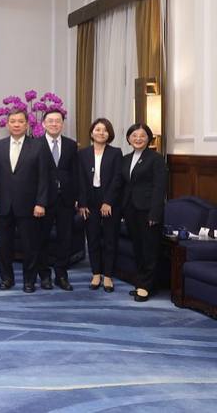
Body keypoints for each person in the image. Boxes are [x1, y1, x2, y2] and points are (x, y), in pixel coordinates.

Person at [0, 109, 48, 293]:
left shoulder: (38, 146)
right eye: (13, 121)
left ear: (27, 124)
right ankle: (6, 279)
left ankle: (29, 281)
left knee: (30, 246)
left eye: (20, 121)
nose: (16, 124)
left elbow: (44, 177)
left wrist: (40, 202)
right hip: (4, 205)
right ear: (7, 124)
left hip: (29, 205)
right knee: (3, 246)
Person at [120, 123, 166, 302]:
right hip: (131, 210)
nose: (138, 139)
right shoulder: (126, 158)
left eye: (142, 136)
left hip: (148, 211)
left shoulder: (156, 159)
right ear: (129, 139)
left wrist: (155, 213)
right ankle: (142, 283)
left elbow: (159, 187)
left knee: (149, 249)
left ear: (149, 138)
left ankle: (147, 286)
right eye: (134, 135)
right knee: (138, 248)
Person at [77, 118, 123, 293]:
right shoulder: (82, 154)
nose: (101, 133)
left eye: (104, 130)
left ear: (109, 134)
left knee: (110, 239)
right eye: (97, 129)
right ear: (91, 133)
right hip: (89, 200)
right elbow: (80, 180)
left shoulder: (115, 153)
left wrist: (108, 201)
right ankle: (96, 273)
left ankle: (108, 276)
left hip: (110, 201)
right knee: (93, 237)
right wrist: (82, 203)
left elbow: (117, 179)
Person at [37, 109, 79, 291]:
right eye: (50, 121)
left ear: (62, 124)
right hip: (43, 201)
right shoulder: (35, 144)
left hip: (66, 200)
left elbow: (75, 173)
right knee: (42, 239)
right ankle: (44, 275)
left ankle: (61, 275)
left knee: (65, 239)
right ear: (44, 124)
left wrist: (77, 197)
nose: (54, 124)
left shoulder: (71, 145)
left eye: (58, 121)